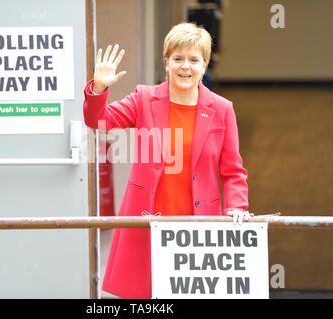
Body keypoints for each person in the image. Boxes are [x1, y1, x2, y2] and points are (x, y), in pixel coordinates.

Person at [83, 22, 252, 299]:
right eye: (178, 59)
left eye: (194, 60)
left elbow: (233, 170)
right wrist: (99, 88)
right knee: (148, 297)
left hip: (198, 224)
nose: (185, 67)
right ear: (166, 62)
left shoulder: (222, 109)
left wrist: (236, 206)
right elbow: (99, 121)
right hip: (147, 222)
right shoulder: (144, 98)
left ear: (205, 64)